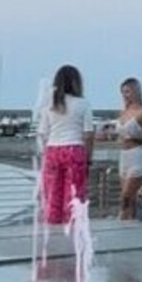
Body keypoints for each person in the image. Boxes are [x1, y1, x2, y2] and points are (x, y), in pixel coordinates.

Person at [36, 66, 94, 226]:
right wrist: (89, 157)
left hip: (53, 150)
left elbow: (43, 133)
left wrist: (45, 153)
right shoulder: (83, 104)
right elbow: (88, 133)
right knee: (74, 195)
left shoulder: (49, 105)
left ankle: (52, 227)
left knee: (52, 194)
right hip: (75, 149)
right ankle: (72, 229)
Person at [114, 77, 142, 222]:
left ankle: (121, 219)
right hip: (124, 156)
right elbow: (120, 135)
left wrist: (134, 139)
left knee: (126, 196)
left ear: (135, 92)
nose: (125, 95)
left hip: (138, 155)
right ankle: (132, 224)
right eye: (123, 92)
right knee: (130, 198)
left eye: (128, 91)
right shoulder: (123, 112)